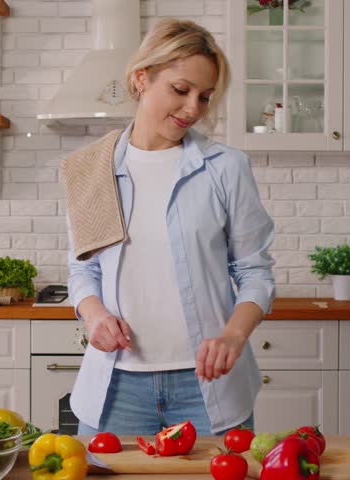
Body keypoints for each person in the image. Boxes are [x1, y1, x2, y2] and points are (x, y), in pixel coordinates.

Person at [64, 18, 276, 436]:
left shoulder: (226, 169)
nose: (193, 109)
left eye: (204, 96)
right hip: (115, 389)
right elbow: (83, 269)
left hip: (209, 387)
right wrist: (95, 316)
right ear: (142, 79)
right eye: (181, 90)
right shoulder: (92, 168)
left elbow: (255, 273)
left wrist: (233, 336)